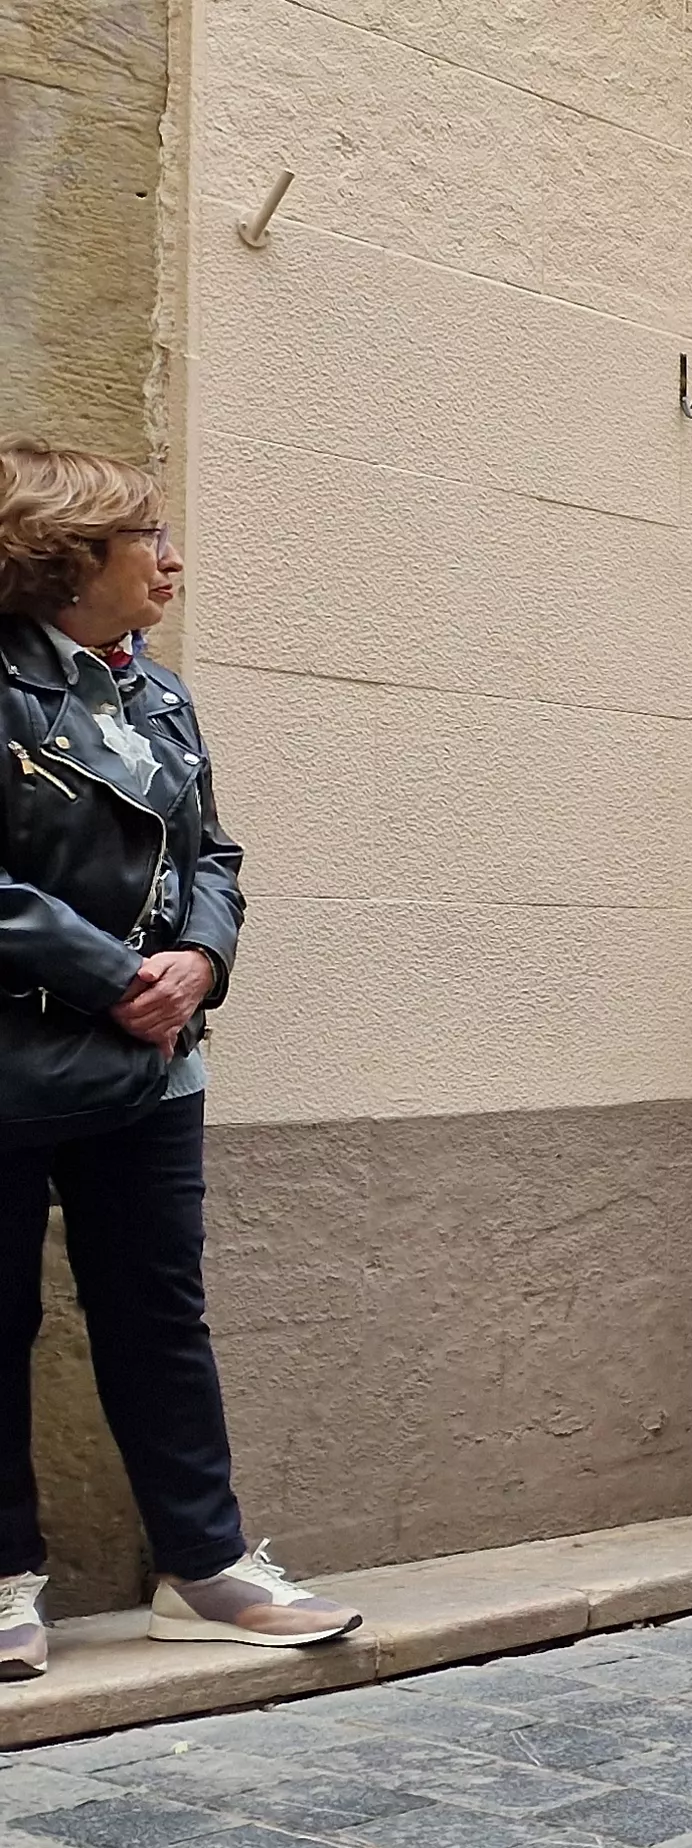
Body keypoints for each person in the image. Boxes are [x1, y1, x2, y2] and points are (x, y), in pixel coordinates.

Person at [0, 438, 361, 1669]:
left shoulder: (155, 690)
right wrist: (113, 979)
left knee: (159, 1317)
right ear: (66, 557)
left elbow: (213, 853)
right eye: (143, 538)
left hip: (155, 1063)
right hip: (17, 1052)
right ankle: (4, 1579)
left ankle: (203, 1570)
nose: (172, 560)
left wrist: (199, 961)